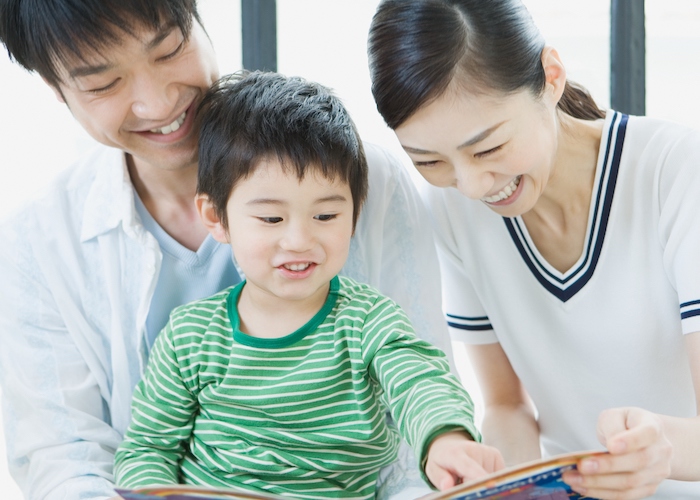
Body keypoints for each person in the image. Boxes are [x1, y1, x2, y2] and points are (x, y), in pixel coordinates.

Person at [0, 1, 453, 499]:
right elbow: (66, 456)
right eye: (103, 84)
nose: (158, 102)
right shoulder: (38, 242)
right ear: (56, 89)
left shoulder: (362, 178)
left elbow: (417, 405)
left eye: (169, 50)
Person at [113, 71, 503, 499]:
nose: (299, 241)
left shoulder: (368, 322)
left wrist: (444, 440)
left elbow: (420, 381)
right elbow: (147, 449)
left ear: (355, 213)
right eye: (271, 219)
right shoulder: (189, 337)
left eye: (325, 216)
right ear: (216, 218)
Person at [366, 0, 700, 499]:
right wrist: (502, 486)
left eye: (489, 148)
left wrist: (663, 448)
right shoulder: (450, 206)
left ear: (552, 75)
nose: (473, 185)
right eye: (430, 161)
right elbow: (505, 405)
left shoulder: (675, 173)